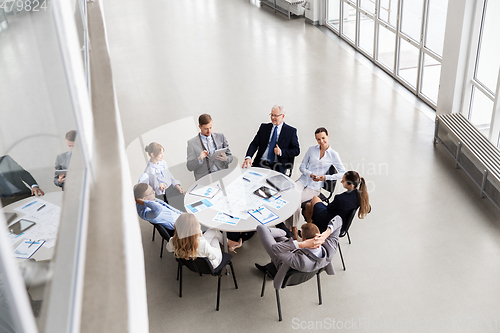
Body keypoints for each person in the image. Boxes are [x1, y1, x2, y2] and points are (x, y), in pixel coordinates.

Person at [286, 127, 346, 239]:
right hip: (303, 180)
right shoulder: (311, 149)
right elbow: (302, 166)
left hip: (314, 187)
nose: (321, 141)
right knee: (289, 196)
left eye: (323, 138)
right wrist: (310, 174)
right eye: (318, 139)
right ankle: (288, 227)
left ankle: (293, 228)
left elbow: (343, 173)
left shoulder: (333, 154)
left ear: (328, 136)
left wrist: (325, 177)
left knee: (296, 201)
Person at [255, 216, 343, 288]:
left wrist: (301, 244)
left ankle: (283, 232)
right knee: (280, 238)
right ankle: (283, 233)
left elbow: (275, 249)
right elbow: (339, 219)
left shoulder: (301, 261)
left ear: (304, 238)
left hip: (283, 263)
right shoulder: (330, 250)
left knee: (261, 228)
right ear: (318, 234)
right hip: (300, 256)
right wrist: (325, 235)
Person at [304, 171, 370, 233]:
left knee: (314, 199)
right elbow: (369, 209)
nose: (341, 182)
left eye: (343, 181)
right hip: (342, 225)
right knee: (308, 205)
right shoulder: (360, 198)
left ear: (351, 185)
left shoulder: (340, 198)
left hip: (329, 223)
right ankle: (310, 230)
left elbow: (328, 208)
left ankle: (310, 231)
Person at [242, 105, 300, 175]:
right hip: (260, 163)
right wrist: (248, 157)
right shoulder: (264, 128)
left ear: (283, 116)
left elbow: (296, 150)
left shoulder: (290, 131)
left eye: (275, 116)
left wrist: (281, 152)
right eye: (271, 115)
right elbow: (254, 144)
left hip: (277, 166)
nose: (273, 118)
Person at [186, 114, 233, 180]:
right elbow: (189, 166)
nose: (209, 131)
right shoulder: (192, 143)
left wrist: (226, 159)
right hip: (204, 179)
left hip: (222, 174)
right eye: (206, 129)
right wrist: (199, 159)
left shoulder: (220, 137)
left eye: (210, 127)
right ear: (200, 126)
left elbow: (230, 156)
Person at [143, 142, 186, 211]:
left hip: (171, 190)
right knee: (176, 211)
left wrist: (179, 188)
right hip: (162, 196)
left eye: (163, 152)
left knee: (184, 203)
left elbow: (170, 177)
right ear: (152, 154)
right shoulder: (149, 171)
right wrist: (161, 187)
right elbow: (157, 190)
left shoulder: (163, 163)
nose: (162, 155)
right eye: (160, 153)